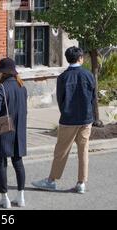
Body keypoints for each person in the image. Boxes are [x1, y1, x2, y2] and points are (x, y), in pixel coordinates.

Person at [32, 46, 96, 194]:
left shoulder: (63, 77)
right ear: (80, 58)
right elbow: (93, 97)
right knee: (83, 151)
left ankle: (52, 180)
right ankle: (81, 183)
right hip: (86, 118)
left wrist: (65, 113)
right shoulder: (88, 75)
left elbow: (60, 100)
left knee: (61, 151)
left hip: (68, 119)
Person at [0, 58, 27, 209]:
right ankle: (21, 197)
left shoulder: (1, 88)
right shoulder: (22, 86)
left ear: (3, 73)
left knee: (1, 164)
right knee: (18, 163)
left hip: (3, 130)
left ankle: (5, 199)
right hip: (19, 130)